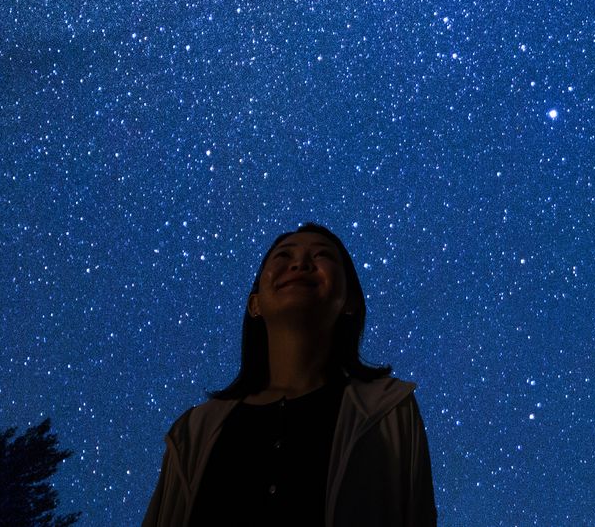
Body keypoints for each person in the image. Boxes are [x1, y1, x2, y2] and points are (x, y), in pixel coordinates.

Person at [143, 223, 436, 527]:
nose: (300, 264)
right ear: (255, 304)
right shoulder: (193, 432)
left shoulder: (388, 412)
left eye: (322, 255)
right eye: (283, 256)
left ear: (350, 301)